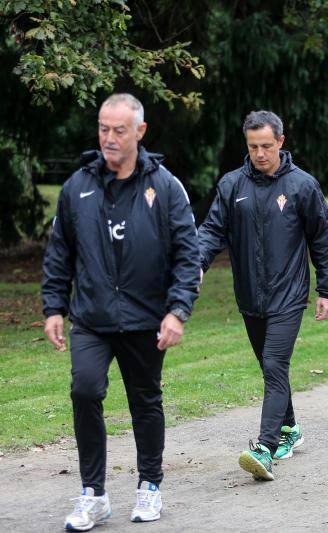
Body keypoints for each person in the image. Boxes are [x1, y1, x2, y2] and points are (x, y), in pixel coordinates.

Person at [42, 93, 200, 531]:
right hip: (91, 317)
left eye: (119, 130)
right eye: (103, 129)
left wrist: (177, 311)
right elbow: (59, 254)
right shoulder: (78, 187)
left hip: (146, 318)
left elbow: (188, 256)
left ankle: (150, 485)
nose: (109, 138)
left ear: (140, 132)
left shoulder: (165, 187)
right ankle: (93, 494)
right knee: (85, 391)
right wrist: (54, 306)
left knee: (145, 400)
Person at [197, 110, 328, 481]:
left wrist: (327, 288)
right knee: (269, 367)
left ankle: (265, 447)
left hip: (289, 295)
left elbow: (321, 239)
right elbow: (212, 231)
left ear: (281, 142)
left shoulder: (302, 186)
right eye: (253, 146)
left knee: (275, 366)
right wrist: (196, 264)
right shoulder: (231, 186)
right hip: (249, 296)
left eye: (266, 146)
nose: (259, 154)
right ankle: (291, 428)